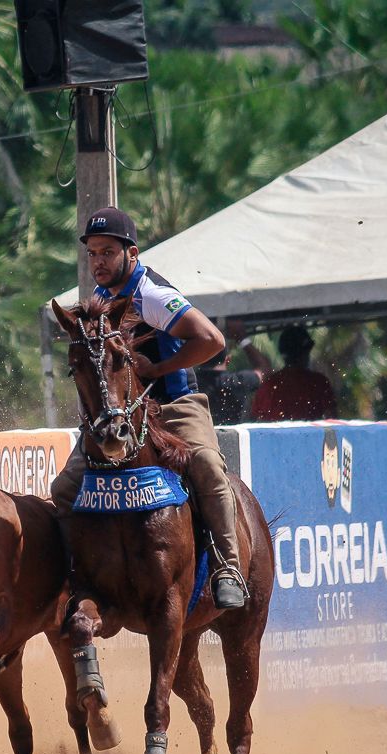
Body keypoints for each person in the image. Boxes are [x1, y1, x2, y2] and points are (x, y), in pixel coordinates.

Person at [50, 206, 248, 609]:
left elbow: (212, 341)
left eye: (107, 252)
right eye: (92, 253)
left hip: (176, 405)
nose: (98, 261)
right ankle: (73, 579)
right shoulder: (100, 299)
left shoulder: (152, 296)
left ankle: (228, 566)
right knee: (64, 487)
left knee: (208, 466)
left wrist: (157, 367)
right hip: (123, 415)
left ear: (132, 254)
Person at [250, 325, 336, 422]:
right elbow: (332, 420)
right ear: (305, 353)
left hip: (275, 436)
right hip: (313, 437)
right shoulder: (319, 383)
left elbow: (254, 422)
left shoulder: (268, 385)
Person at [196, 321, 272, 425]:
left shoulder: (192, 383)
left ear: (200, 359)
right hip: (234, 437)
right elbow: (264, 369)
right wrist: (242, 338)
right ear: (228, 360)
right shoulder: (238, 381)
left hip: (202, 435)